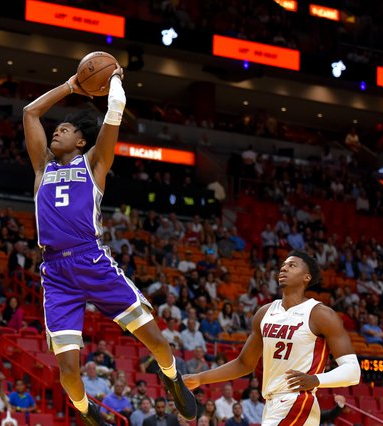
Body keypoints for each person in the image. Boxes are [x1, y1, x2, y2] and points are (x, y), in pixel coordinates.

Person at [22, 63, 196, 425]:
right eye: (56, 129)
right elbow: (30, 112)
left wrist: (114, 76)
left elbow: (114, 111)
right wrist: (71, 84)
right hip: (55, 273)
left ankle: (171, 375)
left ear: (81, 141)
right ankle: (87, 412)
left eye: (65, 129)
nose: (57, 132)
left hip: (91, 259)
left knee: (156, 341)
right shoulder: (42, 168)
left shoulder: (94, 164)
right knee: (68, 372)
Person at [184, 250, 360, 425]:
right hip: (271, 404)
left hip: (298, 401)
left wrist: (316, 380)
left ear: (306, 277)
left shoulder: (320, 314)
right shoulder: (264, 313)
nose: (283, 269)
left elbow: (352, 371)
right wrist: (200, 378)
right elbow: (244, 364)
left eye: (292, 265)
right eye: (283, 265)